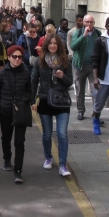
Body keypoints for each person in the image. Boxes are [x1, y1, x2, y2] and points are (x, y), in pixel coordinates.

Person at [31, 34, 73, 176]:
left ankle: (63, 164)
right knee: (47, 134)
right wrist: (32, 100)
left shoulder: (65, 61)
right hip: (44, 99)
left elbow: (70, 82)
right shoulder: (40, 61)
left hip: (61, 100)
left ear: (59, 45)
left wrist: (63, 77)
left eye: (55, 43)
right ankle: (48, 157)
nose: (53, 46)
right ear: (46, 45)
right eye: (50, 43)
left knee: (62, 134)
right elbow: (33, 80)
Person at [0, 45, 33, 183]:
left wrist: (27, 99)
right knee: (6, 137)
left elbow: (29, 90)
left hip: (21, 111)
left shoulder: (26, 73)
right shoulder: (2, 74)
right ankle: (7, 158)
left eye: (20, 57)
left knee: (19, 141)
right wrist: (0, 104)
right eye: (14, 56)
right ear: (9, 57)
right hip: (6, 111)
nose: (17, 59)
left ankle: (18, 170)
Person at [70, 14, 101, 121]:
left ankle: (95, 113)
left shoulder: (98, 33)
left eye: (91, 22)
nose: (89, 24)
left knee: (95, 90)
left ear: (94, 23)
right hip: (80, 66)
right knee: (79, 90)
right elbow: (73, 46)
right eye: (87, 22)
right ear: (83, 23)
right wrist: (83, 35)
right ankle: (80, 111)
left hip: (93, 67)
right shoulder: (77, 32)